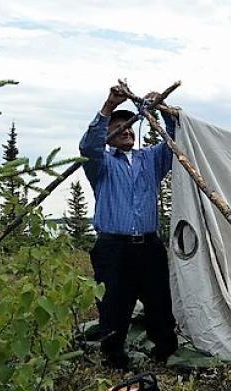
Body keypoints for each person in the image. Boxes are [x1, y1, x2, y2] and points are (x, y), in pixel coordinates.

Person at [79, 85, 178, 370]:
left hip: (148, 245)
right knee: (113, 304)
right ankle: (114, 359)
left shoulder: (150, 159)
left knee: (159, 300)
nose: (126, 131)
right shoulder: (101, 164)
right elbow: (87, 145)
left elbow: (173, 138)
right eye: (118, 127)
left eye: (129, 126)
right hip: (113, 246)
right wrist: (109, 105)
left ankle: (165, 353)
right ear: (109, 134)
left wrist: (159, 108)